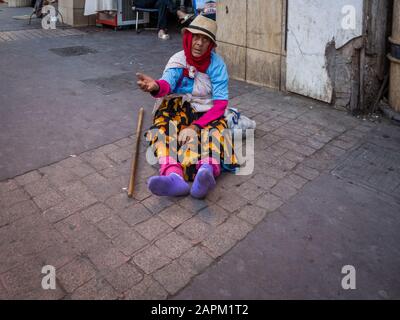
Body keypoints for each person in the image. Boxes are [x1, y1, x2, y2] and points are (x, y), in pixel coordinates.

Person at [137, 15, 239, 199]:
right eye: (196, 37)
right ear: (188, 37)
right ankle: (173, 176)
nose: (199, 43)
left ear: (211, 45)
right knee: (161, 129)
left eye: (205, 40)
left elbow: (221, 104)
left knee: (217, 132)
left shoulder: (218, 65)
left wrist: (195, 126)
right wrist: (156, 86)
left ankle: (205, 173)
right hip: (176, 108)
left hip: (206, 111)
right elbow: (167, 84)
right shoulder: (178, 60)